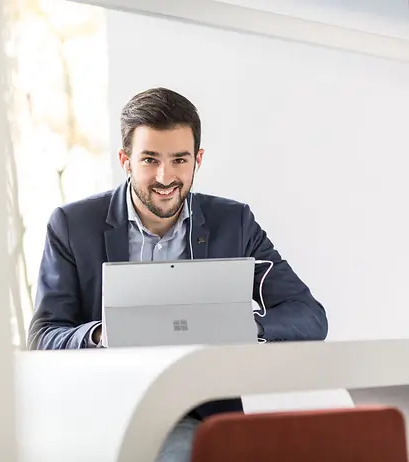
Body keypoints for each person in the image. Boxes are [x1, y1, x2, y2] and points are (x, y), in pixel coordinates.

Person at [27, 87, 328, 461]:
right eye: (149, 159)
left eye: (179, 160)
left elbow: (309, 315)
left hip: (202, 416)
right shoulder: (72, 226)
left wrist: (240, 325)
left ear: (197, 160)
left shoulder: (233, 224)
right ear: (125, 160)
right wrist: (104, 334)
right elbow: (44, 337)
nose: (165, 176)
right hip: (111, 414)